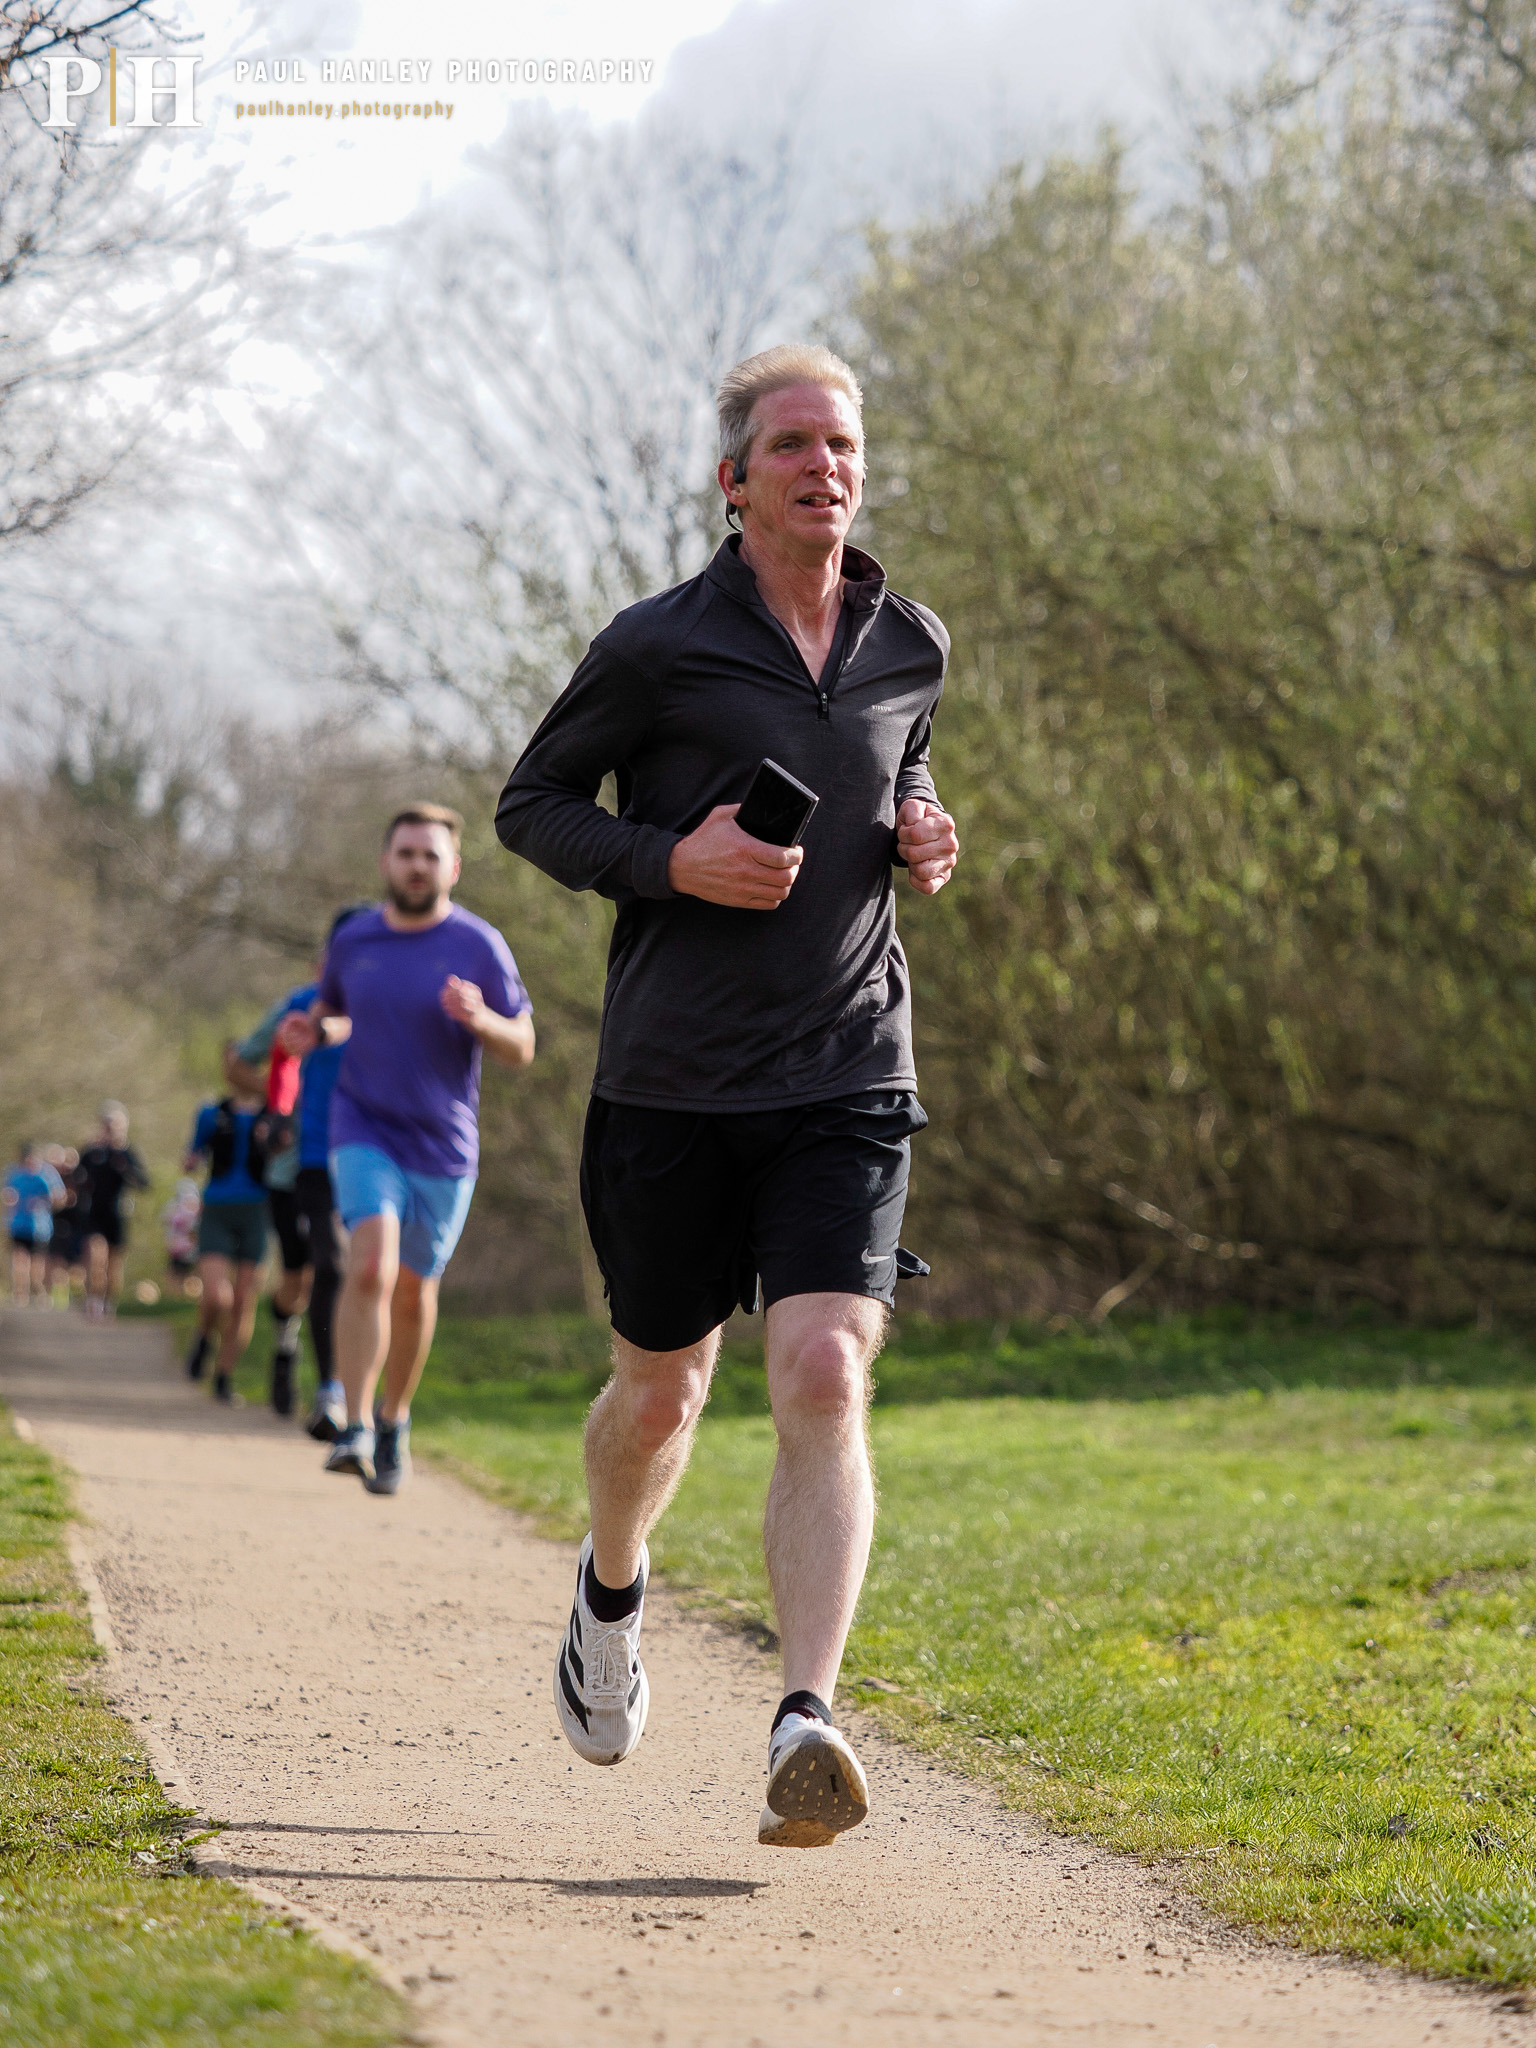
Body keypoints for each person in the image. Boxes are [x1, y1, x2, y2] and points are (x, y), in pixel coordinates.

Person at [495, 343, 960, 1849]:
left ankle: (806, 1717)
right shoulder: (654, 647)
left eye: (846, 445)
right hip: (676, 1083)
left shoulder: (913, 644)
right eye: (797, 445)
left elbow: (904, 774)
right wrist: (669, 860)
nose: (828, 466)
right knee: (660, 1391)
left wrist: (923, 826)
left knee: (825, 1372)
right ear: (735, 479)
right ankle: (608, 1588)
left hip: (849, 1069)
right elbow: (533, 806)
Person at [279, 807, 534, 1495]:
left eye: (431, 855)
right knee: (370, 1266)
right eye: (406, 853)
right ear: (386, 862)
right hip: (362, 1127)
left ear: (452, 867)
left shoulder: (481, 944)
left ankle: (394, 1418)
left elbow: (523, 1047)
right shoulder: (355, 941)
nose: (417, 865)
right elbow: (336, 1013)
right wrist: (317, 1030)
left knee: (416, 1289)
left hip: (443, 1144)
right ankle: (355, 1423)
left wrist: (481, 1019)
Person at [235, 904, 370, 1430]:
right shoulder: (296, 1004)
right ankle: (286, 1346)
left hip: (354, 1157)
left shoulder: (379, 1004)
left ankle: (330, 1391)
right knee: (297, 1271)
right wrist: (275, 1108)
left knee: (333, 1266)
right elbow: (243, 1059)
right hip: (291, 1166)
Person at [182, 1047, 270, 1403]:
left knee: (243, 1301)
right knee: (218, 1295)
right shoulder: (210, 1113)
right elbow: (192, 1155)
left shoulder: (275, 1112)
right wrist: (190, 1160)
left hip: (258, 1212)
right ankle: (203, 1337)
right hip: (217, 1208)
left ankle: (224, 1375)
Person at [78, 1104, 150, 1319]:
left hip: (118, 1214)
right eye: (107, 1125)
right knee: (95, 1256)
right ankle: (93, 1301)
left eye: (115, 1125)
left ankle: (109, 1304)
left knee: (113, 1264)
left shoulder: (128, 1153)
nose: (110, 1129)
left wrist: (124, 1166)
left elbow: (144, 1183)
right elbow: (76, 1176)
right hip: (94, 1213)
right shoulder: (92, 1152)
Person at [4, 1141, 64, 1306]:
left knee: (38, 1262)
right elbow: (7, 1192)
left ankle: (39, 1292)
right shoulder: (14, 1173)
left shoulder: (47, 1174)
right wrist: (9, 1197)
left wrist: (42, 1200)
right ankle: (20, 1293)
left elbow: (61, 1197)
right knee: (19, 1259)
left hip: (40, 1227)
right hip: (18, 1224)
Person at [160, 1177, 202, 1299]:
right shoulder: (175, 1208)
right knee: (176, 1274)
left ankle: (186, 1297)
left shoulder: (197, 1209)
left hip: (190, 1248)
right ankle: (175, 1297)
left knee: (192, 1275)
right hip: (177, 1248)